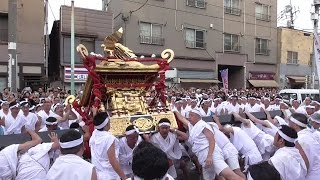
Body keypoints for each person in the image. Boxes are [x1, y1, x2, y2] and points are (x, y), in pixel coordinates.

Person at [174, 110, 244, 180]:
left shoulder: (203, 125)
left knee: (229, 175)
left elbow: (211, 140)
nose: (189, 117)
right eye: (189, 115)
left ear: (198, 117)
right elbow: (182, 118)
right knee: (209, 178)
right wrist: (174, 110)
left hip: (211, 154)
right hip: (203, 156)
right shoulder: (192, 126)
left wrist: (209, 156)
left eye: (191, 115)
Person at [89, 112, 126, 180]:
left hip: (97, 174)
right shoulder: (109, 138)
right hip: (109, 176)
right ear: (106, 124)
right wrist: (123, 177)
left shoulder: (94, 134)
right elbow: (113, 161)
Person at [288, 113, 320, 180]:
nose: (288, 125)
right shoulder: (309, 134)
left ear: (295, 125)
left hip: (310, 176)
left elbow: (305, 164)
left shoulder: (300, 139)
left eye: (289, 123)